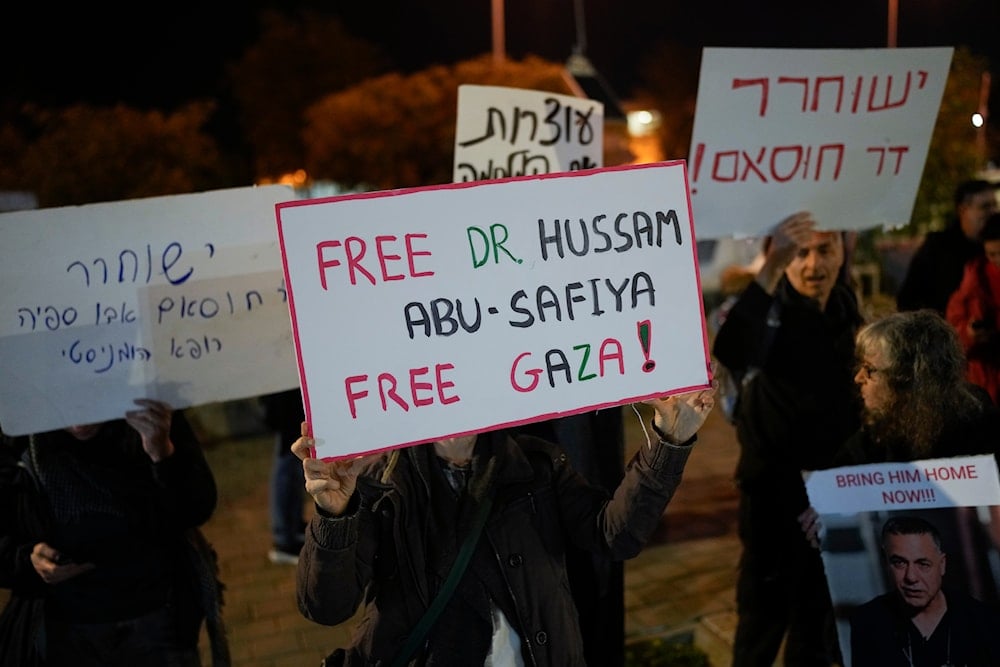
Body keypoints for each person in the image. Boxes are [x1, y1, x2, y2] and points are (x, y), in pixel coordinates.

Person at [291, 387, 716, 666]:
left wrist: (669, 442)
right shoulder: (378, 483)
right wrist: (334, 515)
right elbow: (326, 606)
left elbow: (613, 534)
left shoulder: (539, 464)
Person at [712, 211, 864, 666]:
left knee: (816, 630)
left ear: (843, 251)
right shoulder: (763, 312)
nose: (812, 264)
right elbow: (732, 350)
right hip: (772, 501)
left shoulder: (853, 316)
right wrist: (773, 265)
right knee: (760, 627)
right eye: (800, 252)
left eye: (824, 249)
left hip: (832, 502)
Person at [0, 399, 225, 666]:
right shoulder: (16, 437)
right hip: (65, 624)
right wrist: (28, 560)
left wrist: (162, 453)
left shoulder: (149, 412)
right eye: (63, 404)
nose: (79, 423)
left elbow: (197, 507)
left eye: (88, 399)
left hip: (157, 613)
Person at [800, 309, 1000, 605]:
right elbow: (835, 492)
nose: (858, 378)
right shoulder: (874, 437)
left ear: (908, 379)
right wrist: (821, 513)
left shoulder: (980, 423)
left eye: (869, 370)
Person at [848, 515, 1000, 667]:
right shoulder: (867, 621)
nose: (911, 577)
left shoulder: (983, 621)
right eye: (899, 563)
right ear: (887, 565)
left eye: (923, 564)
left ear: (942, 565)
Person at [896, 178, 998, 314]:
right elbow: (909, 298)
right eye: (984, 207)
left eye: (994, 205)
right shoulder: (937, 247)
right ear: (963, 210)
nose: (993, 212)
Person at [946, 212, 1000, 405]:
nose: (997, 260)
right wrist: (969, 334)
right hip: (984, 379)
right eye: (992, 254)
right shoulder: (974, 280)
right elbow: (952, 328)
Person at [260, 388, 307, 565]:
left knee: (293, 464)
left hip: (288, 397)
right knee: (287, 463)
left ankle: (292, 528)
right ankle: (284, 539)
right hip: (283, 399)